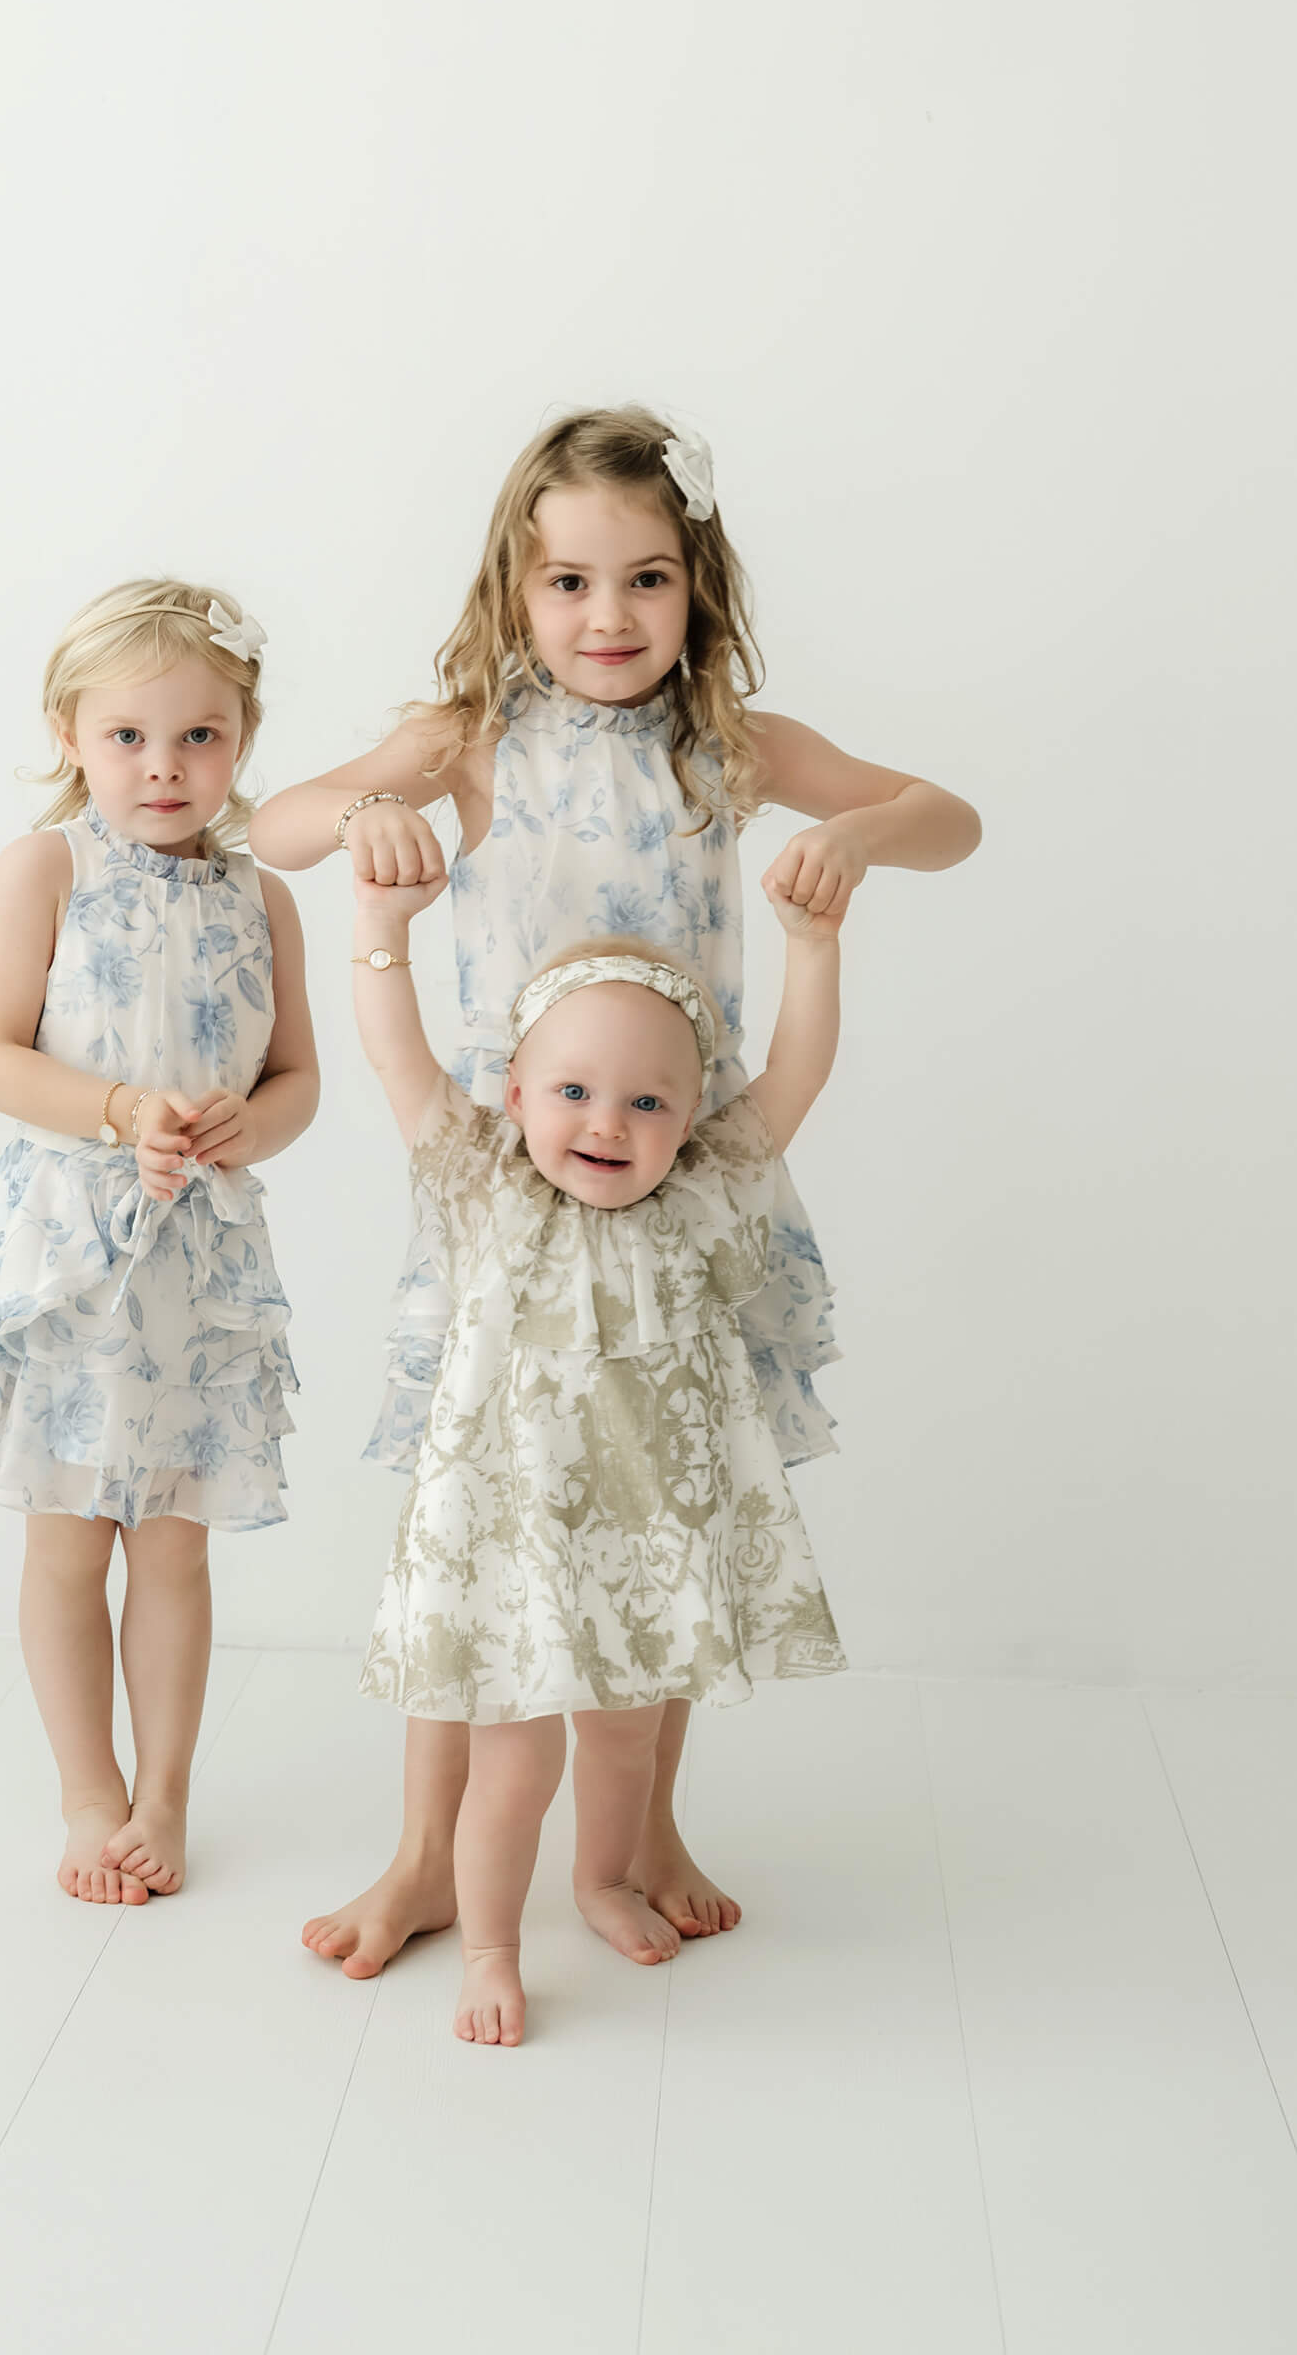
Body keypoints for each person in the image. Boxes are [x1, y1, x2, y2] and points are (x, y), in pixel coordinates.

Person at [249, 405, 979, 1974]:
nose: (606, 617)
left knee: (668, 1498)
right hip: (509, 1196)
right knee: (473, 1521)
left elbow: (951, 819)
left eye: (645, 579)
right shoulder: (465, 738)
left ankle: (635, 1834)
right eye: (567, 581)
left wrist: (857, 834)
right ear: (512, 586)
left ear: (693, 584)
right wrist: (363, 815)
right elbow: (276, 821)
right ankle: (423, 1858)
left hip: (680, 1177)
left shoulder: (728, 745)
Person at [348, 858, 848, 2043]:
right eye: (572, 1090)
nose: (608, 1123)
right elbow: (394, 1054)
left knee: (626, 1744)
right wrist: (381, 928)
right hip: (513, 1546)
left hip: (645, 1541)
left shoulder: (705, 1192)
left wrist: (813, 946)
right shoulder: (485, 1182)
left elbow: (798, 1072)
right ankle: (490, 1944)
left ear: (692, 1115)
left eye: (648, 1102)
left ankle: (606, 1876)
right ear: (515, 1093)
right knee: (514, 1768)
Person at [0, 580, 317, 1905]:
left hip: (195, 1262)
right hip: (73, 1253)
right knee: (70, 1538)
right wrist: (120, 1111)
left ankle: (165, 1795)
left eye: (200, 736)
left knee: (176, 1543)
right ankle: (89, 1793)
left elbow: (298, 1080)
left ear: (241, 736)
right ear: (69, 733)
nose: (164, 765)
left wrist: (246, 1125)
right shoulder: (48, 868)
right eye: (129, 736)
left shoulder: (262, 897)